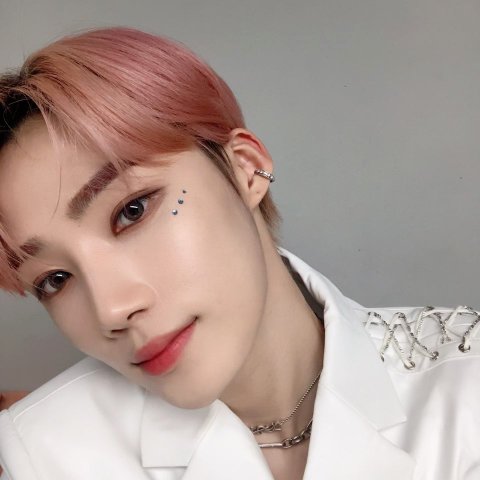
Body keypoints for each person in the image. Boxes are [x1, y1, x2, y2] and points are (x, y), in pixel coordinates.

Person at [0, 26, 478, 480]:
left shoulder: (465, 383)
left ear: (245, 169)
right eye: (54, 279)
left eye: (132, 211)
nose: (112, 311)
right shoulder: (45, 450)